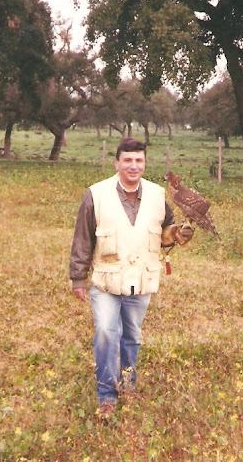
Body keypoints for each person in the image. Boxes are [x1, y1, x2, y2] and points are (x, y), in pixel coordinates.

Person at [69, 137, 194, 421]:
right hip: (106, 279)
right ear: (117, 163)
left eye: (138, 160)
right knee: (105, 332)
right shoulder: (96, 194)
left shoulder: (157, 196)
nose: (133, 166)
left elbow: (165, 234)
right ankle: (106, 396)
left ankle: (127, 384)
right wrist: (78, 278)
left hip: (139, 279)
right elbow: (82, 238)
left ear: (144, 163)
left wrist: (176, 235)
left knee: (132, 336)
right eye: (127, 160)